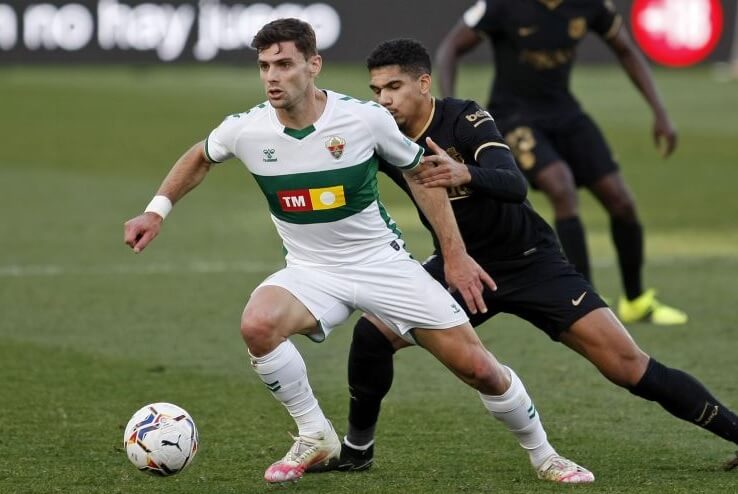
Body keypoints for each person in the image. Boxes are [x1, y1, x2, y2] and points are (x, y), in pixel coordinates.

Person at [123, 19, 594, 485]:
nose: (271, 76)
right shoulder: (246, 129)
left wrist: (454, 255)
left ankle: (545, 455)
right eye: (265, 66)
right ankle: (315, 434)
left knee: (479, 368)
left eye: (284, 64)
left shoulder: (363, 119)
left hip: (381, 265)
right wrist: (156, 211)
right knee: (258, 324)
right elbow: (201, 155)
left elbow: (420, 174)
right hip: (311, 270)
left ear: (314, 65)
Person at [314, 38, 738, 475]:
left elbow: (514, 184)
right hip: (459, 268)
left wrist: (466, 173)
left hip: (532, 262)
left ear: (424, 83)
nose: (383, 100)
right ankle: (357, 451)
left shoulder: (465, 117)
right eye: (376, 90)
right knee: (371, 336)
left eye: (394, 87)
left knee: (629, 366)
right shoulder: (385, 135)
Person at [435, 0, 687, 325]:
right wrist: (449, 117)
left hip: (566, 114)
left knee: (621, 201)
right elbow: (449, 49)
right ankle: (587, 302)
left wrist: (660, 112)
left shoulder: (590, 5)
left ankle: (636, 301)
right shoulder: (502, 6)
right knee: (562, 187)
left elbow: (625, 50)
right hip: (514, 117)